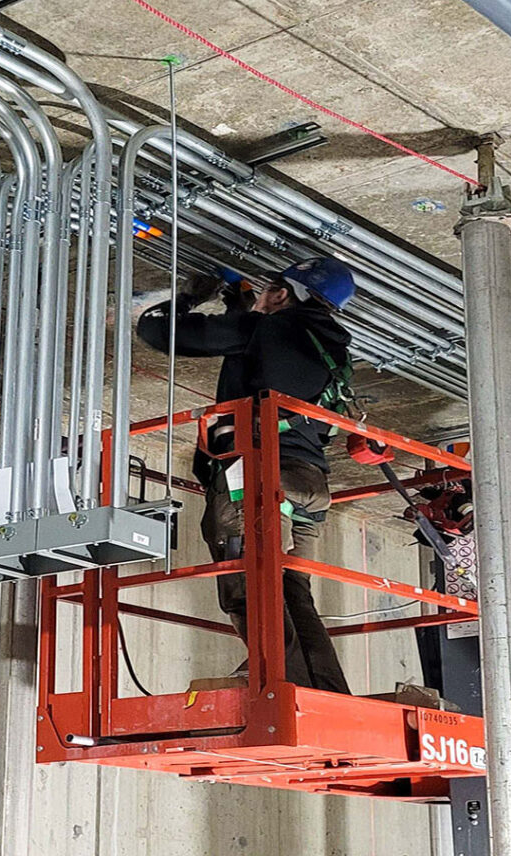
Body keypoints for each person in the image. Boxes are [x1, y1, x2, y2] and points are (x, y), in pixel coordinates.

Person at [137, 257, 356, 693]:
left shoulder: (266, 328)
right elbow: (259, 356)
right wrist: (241, 306)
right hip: (310, 482)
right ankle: (325, 692)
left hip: (256, 475)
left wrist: (192, 296)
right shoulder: (331, 346)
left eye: (268, 292)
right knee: (292, 589)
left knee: (248, 584)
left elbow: (159, 331)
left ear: (279, 294)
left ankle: (284, 689)